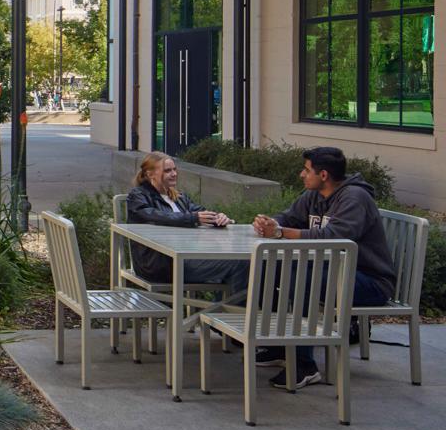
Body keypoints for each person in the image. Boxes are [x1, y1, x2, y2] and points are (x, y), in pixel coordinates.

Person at [250, 146, 394, 390]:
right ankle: (280, 348)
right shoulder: (314, 195)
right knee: (271, 270)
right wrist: (270, 222)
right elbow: (288, 217)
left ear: (324, 175)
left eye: (307, 170)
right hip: (333, 273)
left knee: (302, 280)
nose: (301, 175)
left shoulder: (354, 198)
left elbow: (333, 237)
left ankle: (304, 364)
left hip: (369, 281)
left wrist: (280, 232)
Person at [123, 152, 249, 297]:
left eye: (175, 169)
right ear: (150, 173)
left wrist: (218, 218)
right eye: (167, 170)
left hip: (186, 258)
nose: (174, 174)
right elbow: (157, 216)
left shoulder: (179, 197)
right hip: (159, 265)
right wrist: (192, 218)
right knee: (240, 264)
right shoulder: (138, 196)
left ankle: (221, 313)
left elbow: (199, 213)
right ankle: (227, 315)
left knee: (243, 263)